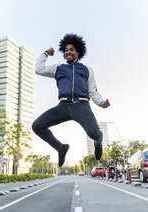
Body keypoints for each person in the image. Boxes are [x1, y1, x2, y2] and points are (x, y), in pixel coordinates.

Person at [32, 34, 110, 167]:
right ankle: (61, 148)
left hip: (82, 106)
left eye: (71, 49)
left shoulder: (87, 69)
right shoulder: (59, 68)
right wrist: (45, 53)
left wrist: (101, 102)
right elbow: (39, 69)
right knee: (37, 126)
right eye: (66, 50)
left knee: (93, 133)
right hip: (63, 106)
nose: (68, 52)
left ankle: (98, 140)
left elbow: (92, 91)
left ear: (78, 52)